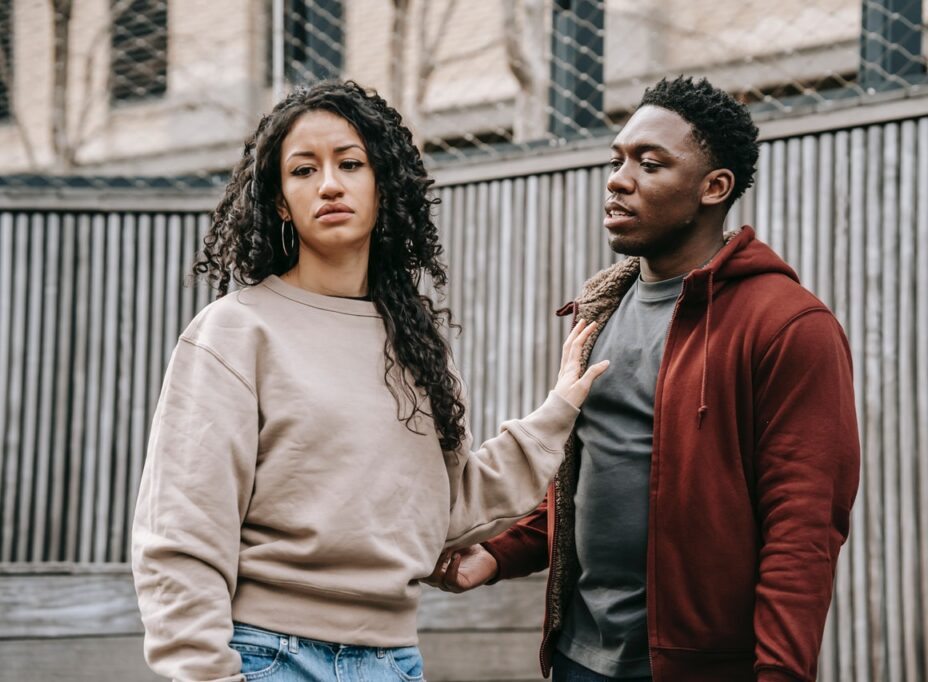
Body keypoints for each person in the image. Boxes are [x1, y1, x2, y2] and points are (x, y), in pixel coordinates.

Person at [130, 79, 609, 682]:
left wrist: (557, 412)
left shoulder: (415, 344)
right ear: (280, 201)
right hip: (268, 659)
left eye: (350, 163)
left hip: (395, 661)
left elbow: (443, 509)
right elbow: (182, 532)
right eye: (304, 170)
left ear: (382, 184)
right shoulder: (234, 333)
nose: (329, 183)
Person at [427, 76, 861, 682]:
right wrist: (498, 554)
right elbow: (588, 480)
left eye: (649, 164)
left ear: (714, 187)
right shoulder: (598, 310)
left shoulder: (788, 324)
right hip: (579, 656)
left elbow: (803, 532)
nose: (618, 179)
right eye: (617, 160)